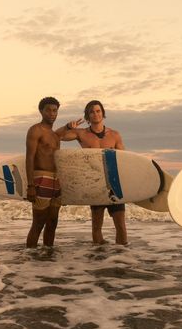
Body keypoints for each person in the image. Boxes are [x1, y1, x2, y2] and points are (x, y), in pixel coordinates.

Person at [58, 100, 127, 245]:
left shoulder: (114, 135)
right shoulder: (81, 134)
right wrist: (67, 127)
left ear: (103, 113)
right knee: (96, 227)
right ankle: (98, 257)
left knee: (121, 226)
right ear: (87, 116)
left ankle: (122, 258)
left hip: (113, 183)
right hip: (94, 183)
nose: (95, 114)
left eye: (98, 111)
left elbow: (123, 160)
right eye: (91, 112)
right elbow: (57, 137)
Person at [25, 97, 63, 248]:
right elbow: (29, 158)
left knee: (53, 222)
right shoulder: (36, 130)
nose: (52, 113)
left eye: (55, 111)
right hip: (41, 177)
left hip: (56, 180)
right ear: (41, 111)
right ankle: (30, 256)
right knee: (38, 222)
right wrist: (30, 185)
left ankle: (48, 255)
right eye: (48, 110)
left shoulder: (55, 135)